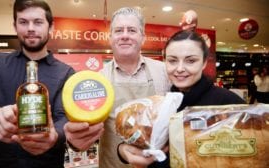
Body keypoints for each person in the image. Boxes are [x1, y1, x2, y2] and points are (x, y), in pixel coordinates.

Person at [117, 30, 246, 168]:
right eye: (172, 60)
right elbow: (145, 145)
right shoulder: (162, 104)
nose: (179, 69)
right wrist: (122, 150)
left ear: (203, 63)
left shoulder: (228, 104)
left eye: (190, 61)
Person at [0, 0, 75, 167]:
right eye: (23, 22)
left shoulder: (67, 73)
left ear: (51, 27)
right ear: (15, 26)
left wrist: (55, 135)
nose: (30, 28)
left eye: (38, 22)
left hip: (47, 162)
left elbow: (63, 116)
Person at [97, 7, 171, 168]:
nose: (125, 35)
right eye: (118, 30)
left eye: (131, 30)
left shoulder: (164, 71)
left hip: (157, 163)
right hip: (113, 163)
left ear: (143, 37)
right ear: (110, 37)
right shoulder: (98, 79)